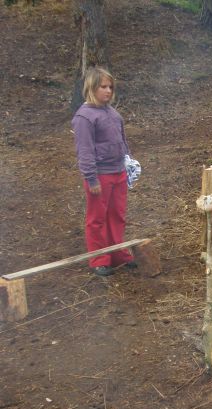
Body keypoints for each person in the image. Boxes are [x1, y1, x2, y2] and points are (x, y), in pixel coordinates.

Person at [72, 66, 136, 276]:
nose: (108, 91)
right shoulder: (85, 117)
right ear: (92, 87)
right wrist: (91, 179)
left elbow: (121, 141)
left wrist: (128, 162)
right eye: (103, 87)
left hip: (119, 171)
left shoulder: (112, 113)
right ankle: (99, 259)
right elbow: (85, 151)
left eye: (110, 87)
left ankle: (118, 253)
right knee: (97, 218)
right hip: (100, 175)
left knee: (117, 215)